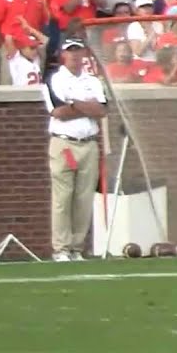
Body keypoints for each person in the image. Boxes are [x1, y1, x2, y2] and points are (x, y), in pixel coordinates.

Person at [43, 39, 106, 262]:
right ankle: (61, 248)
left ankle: (77, 248)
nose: (75, 56)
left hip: (89, 143)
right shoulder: (55, 79)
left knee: (84, 198)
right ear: (63, 54)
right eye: (70, 51)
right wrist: (86, 106)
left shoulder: (92, 80)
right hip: (64, 144)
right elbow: (58, 111)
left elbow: (102, 109)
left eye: (78, 51)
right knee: (63, 198)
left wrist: (75, 104)